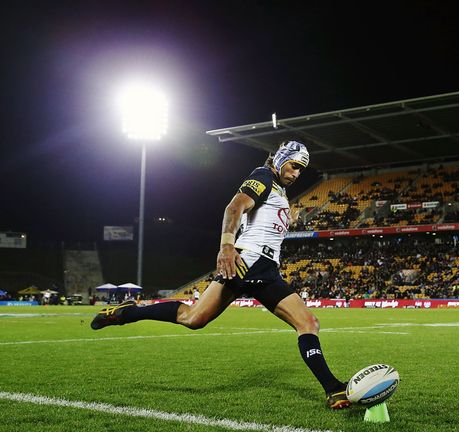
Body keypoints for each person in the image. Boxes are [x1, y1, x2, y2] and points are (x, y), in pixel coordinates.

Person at [90, 141, 350, 409]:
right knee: (198, 319)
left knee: (198, 319)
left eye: (301, 170)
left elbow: (265, 221)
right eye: (294, 165)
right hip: (248, 261)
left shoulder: (280, 194)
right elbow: (234, 208)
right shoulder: (262, 176)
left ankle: (125, 313)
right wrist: (227, 245)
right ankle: (333, 388)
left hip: (266, 267)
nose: (297, 174)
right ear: (281, 158)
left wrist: (289, 218)